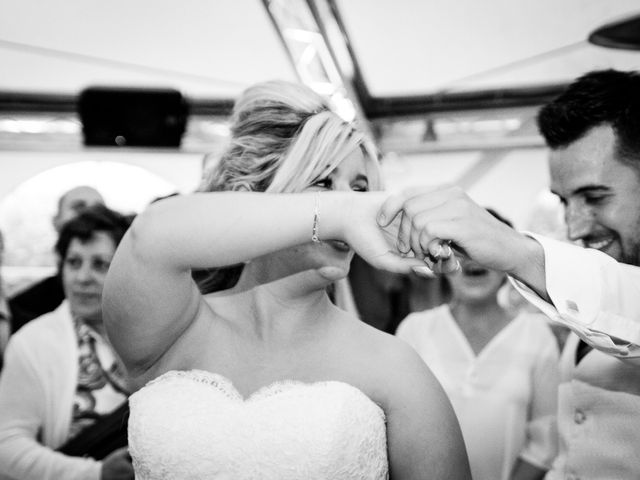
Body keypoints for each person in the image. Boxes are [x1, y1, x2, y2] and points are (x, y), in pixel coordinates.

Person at [103, 80, 471, 479]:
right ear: (248, 198)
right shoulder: (172, 330)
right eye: (323, 182)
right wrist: (339, 212)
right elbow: (151, 236)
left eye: (361, 189)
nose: (354, 204)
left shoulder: (394, 366)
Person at [376, 69, 640, 480]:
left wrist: (515, 250)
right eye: (564, 201)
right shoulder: (576, 326)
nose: (574, 227)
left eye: (594, 196)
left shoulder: (543, 331)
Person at [397, 209, 559, 480]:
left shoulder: (537, 338)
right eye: (460, 247)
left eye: (488, 246)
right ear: (441, 257)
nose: (474, 258)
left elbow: (544, 441)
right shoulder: (414, 330)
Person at [0, 204, 134, 480]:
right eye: (74, 263)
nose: (82, 278)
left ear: (125, 269)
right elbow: (7, 446)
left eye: (100, 264)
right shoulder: (33, 343)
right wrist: (95, 473)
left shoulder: (154, 334)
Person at [8, 185, 105, 332]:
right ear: (56, 221)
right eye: (79, 207)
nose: (90, 215)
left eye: (100, 264)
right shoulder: (23, 307)